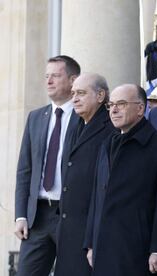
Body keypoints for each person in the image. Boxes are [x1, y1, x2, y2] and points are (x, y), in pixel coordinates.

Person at [84, 84, 157, 275]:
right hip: (103, 245)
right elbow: (97, 195)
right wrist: (91, 243)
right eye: (111, 105)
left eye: (121, 104)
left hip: (137, 249)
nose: (114, 110)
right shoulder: (108, 143)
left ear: (141, 109)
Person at [14, 55, 80, 276]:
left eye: (56, 76)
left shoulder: (84, 117)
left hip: (71, 214)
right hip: (38, 217)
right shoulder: (36, 117)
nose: (49, 81)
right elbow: (25, 170)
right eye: (46, 76)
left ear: (73, 80)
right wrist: (21, 215)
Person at [54, 73, 116, 276]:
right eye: (73, 94)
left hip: (91, 231)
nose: (74, 99)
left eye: (81, 93)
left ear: (100, 96)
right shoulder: (76, 124)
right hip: (67, 228)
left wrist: (93, 238)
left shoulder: (112, 128)